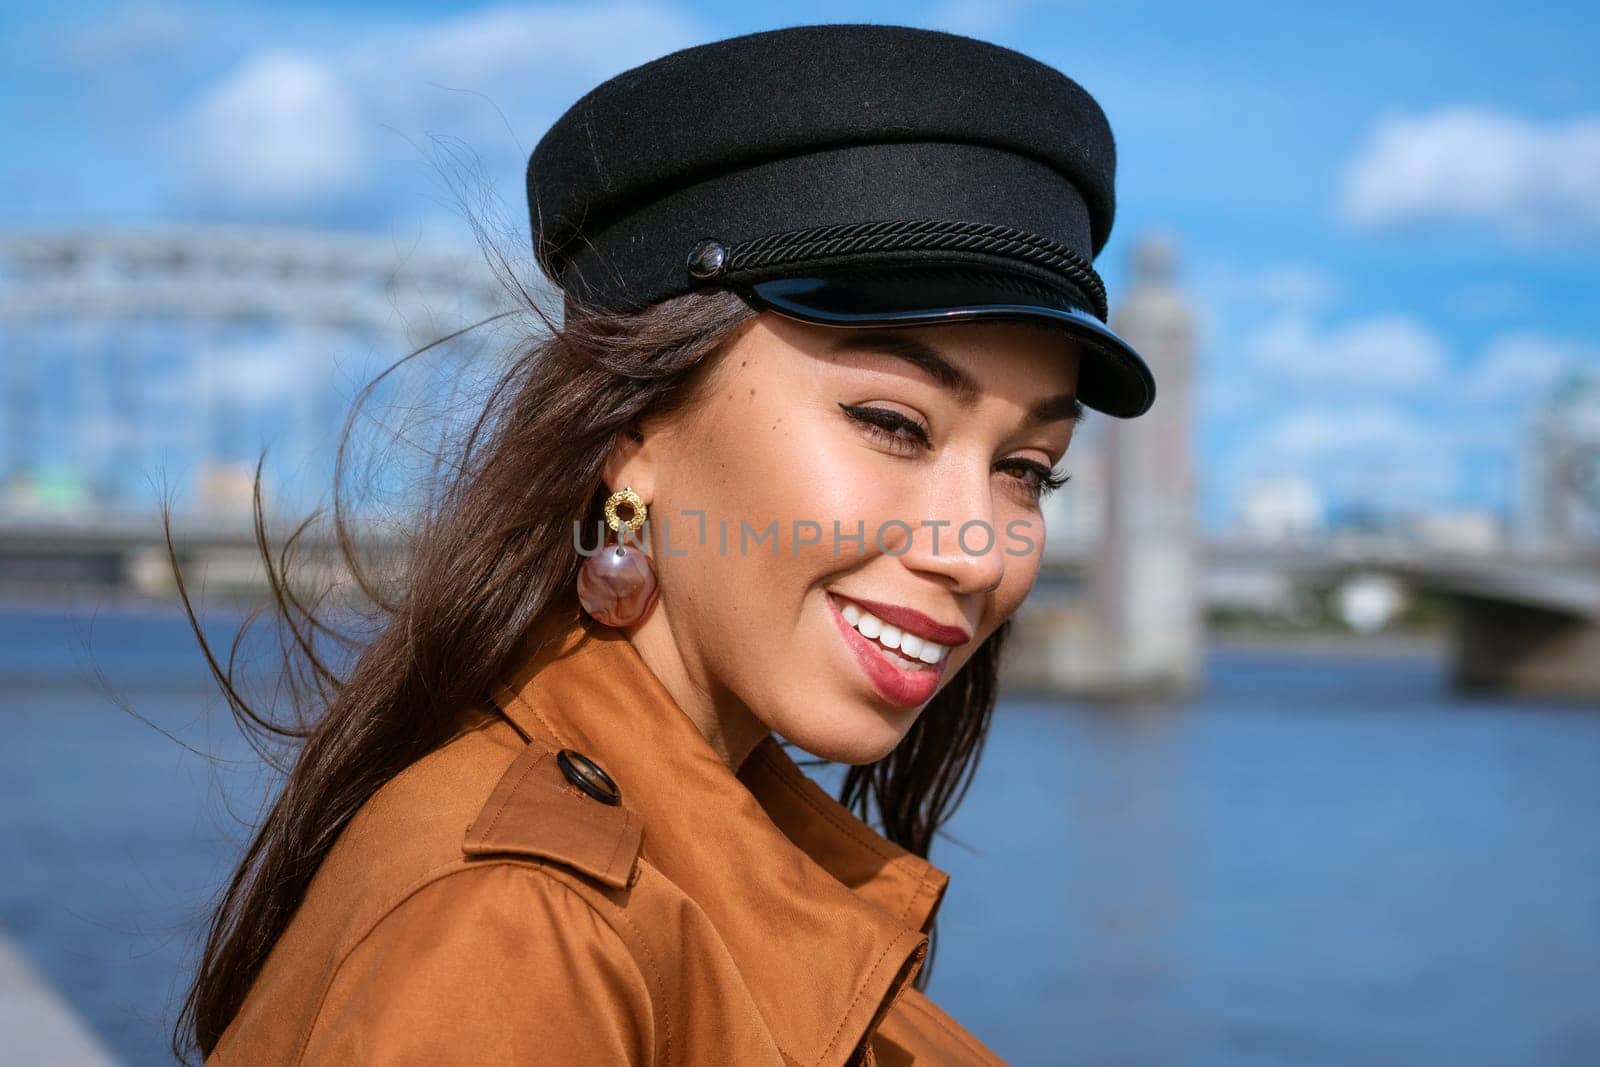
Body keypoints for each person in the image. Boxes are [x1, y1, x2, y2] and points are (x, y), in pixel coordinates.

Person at [179, 21, 1156, 1066]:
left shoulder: (668, 854)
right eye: (893, 423)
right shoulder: (519, 927)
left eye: (1027, 469)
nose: (977, 550)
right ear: (635, 437)